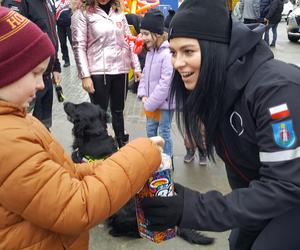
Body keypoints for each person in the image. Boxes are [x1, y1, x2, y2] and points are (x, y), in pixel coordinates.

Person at [141, 0, 300, 249]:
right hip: (268, 193)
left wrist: (193, 207)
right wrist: (181, 199)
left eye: (188, 51)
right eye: (173, 52)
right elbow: (240, 176)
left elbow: (285, 186)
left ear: (215, 48)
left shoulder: (276, 93)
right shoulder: (216, 89)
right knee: (238, 241)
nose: (177, 63)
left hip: (290, 194)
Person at [0, 7, 163, 249]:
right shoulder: (9, 141)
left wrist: (118, 161)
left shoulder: (20, 122)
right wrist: (141, 155)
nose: (40, 85)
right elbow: (76, 206)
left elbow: (64, 174)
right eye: (34, 73)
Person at [71, 0, 141, 148]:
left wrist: (136, 67)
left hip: (120, 69)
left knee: (118, 110)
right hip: (98, 71)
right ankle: (98, 146)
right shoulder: (82, 13)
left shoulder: (118, 12)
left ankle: (121, 142)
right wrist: (85, 75)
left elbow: (129, 40)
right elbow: (79, 45)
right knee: (98, 113)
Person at [2, 0, 62, 130]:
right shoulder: (19, 2)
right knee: (26, 126)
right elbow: (14, 40)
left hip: (45, 75)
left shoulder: (47, 2)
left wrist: (56, 66)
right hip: (28, 80)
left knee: (45, 125)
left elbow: (52, 34)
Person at [137, 9, 174, 157]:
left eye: (146, 34)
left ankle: (166, 160)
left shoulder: (167, 54)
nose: (142, 37)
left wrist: (150, 102)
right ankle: (153, 157)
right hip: (151, 102)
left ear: (157, 34)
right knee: (150, 130)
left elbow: (166, 83)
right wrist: (143, 94)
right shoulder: (151, 52)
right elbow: (145, 74)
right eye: (141, 33)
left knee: (164, 132)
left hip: (164, 104)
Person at [56, 0, 73, 67]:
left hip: (69, 25)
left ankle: (78, 60)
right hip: (60, 25)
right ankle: (66, 60)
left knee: (73, 43)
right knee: (63, 44)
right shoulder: (55, 2)